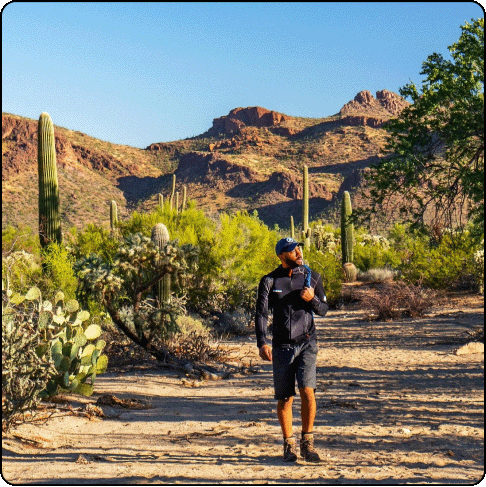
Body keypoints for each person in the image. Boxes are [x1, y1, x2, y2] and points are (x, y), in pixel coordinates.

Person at [255, 237, 329, 462]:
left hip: (307, 342)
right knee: (285, 398)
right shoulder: (269, 280)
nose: (298, 251)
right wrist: (262, 342)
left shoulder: (312, 276)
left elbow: (324, 309)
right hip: (281, 346)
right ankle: (289, 445)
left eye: (298, 248)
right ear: (281, 255)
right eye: (292, 249)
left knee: (308, 391)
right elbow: (261, 314)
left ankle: (307, 443)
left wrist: (312, 299)